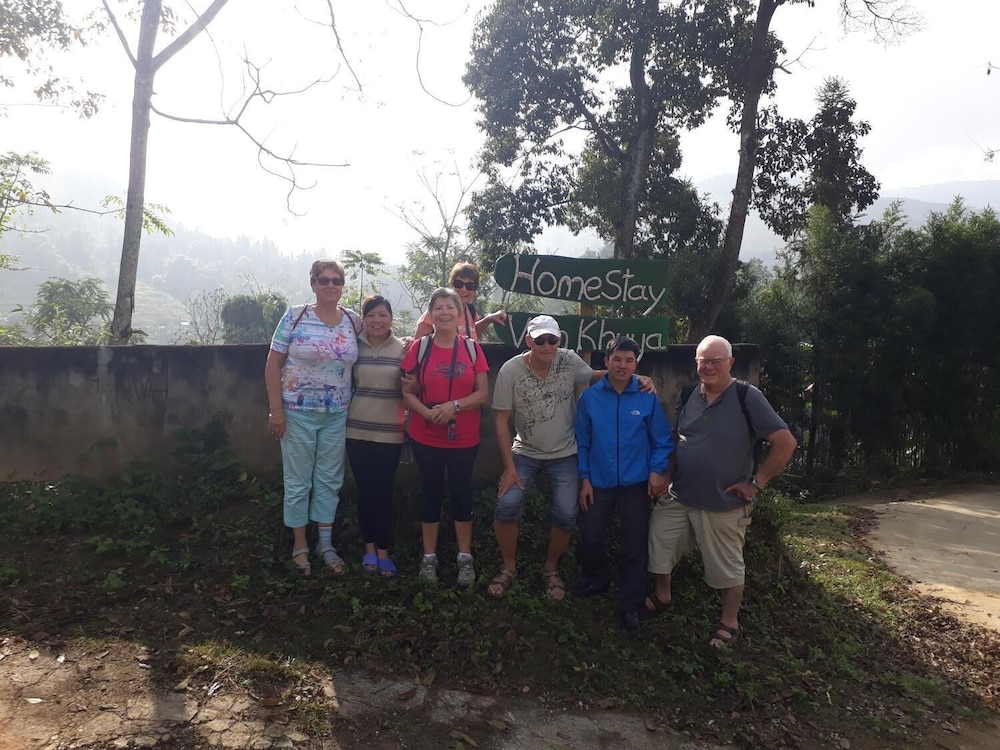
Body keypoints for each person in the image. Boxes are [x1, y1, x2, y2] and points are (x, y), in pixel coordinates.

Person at [487, 315, 657, 600]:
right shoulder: (510, 370)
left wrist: (636, 377)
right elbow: (500, 421)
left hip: (565, 451)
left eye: (551, 339)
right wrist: (508, 468)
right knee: (506, 505)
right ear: (528, 340)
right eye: (539, 339)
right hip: (525, 451)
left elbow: (596, 375)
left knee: (567, 513)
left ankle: (551, 569)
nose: (546, 345)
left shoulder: (568, 360)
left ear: (559, 340)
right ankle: (508, 567)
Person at [647, 335, 797, 647]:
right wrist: (666, 475)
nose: (710, 366)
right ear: (696, 363)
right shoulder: (689, 392)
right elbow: (680, 440)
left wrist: (756, 483)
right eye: (704, 360)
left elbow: (786, 442)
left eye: (717, 360)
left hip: (722, 503)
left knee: (726, 568)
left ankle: (729, 623)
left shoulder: (747, 396)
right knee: (658, 546)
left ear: (730, 363)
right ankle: (663, 596)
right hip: (680, 495)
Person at [265, 259, 361, 577]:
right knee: (297, 482)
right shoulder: (295, 316)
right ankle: (299, 545)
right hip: (296, 413)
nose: (330, 285)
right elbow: (273, 363)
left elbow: (380, 341)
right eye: (324, 280)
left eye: (336, 280)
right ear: (313, 284)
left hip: (336, 414)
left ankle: (325, 543)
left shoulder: (352, 321)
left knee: (329, 481)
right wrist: (276, 410)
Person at [575, 336, 673, 636]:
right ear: (606, 361)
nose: (623, 365)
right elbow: (583, 441)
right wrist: (585, 478)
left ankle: (630, 604)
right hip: (600, 483)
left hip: (636, 484)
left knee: (635, 545)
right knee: (590, 537)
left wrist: (657, 472)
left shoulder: (646, 397)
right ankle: (597, 580)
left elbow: (662, 440)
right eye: (617, 359)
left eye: (629, 360)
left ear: (636, 363)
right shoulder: (590, 398)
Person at [401, 288, 490, 586]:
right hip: (425, 434)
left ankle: (465, 557)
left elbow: (482, 394)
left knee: (462, 493)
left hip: (464, 436)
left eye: (450, 307)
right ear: (431, 314)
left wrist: (454, 406)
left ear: (460, 312)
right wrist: (427, 414)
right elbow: (406, 391)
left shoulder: (473, 349)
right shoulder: (419, 348)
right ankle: (429, 558)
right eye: (438, 307)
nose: (444, 312)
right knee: (430, 492)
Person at [346, 295, 406, 579]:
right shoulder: (352, 347)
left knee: (383, 493)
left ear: (391, 318)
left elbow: (413, 387)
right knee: (365, 492)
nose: (377, 320)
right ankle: (369, 548)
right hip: (356, 431)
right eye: (371, 315)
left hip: (390, 434)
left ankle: (384, 549)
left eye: (382, 314)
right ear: (364, 319)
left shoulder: (404, 349)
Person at [413, 262, 507, 341]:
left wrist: (488, 319)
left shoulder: (470, 311)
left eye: (470, 286)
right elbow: (418, 346)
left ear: (475, 290)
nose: (464, 289)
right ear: (451, 285)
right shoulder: (438, 312)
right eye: (459, 284)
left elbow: (471, 332)